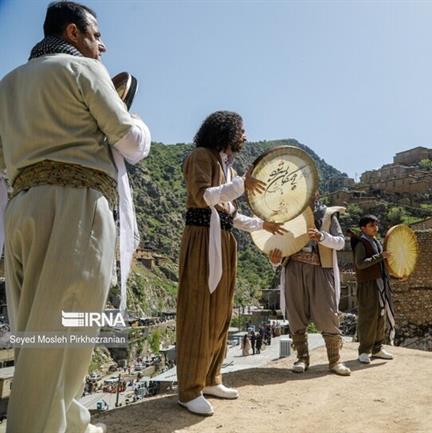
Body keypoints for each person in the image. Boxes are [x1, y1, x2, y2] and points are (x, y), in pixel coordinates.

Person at [0, 2, 150, 432]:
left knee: (34, 329)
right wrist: (140, 122)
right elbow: (129, 141)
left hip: (22, 207)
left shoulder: (6, 85)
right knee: (67, 328)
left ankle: (69, 420)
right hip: (77, 207)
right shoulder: (84, 71)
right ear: (73, 32)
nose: (101, 46)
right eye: (96, 35)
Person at [175, 110, 284, 416]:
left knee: (221, 312)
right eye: (241, 130)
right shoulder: (200, 157)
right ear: (226, 132)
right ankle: (189, 389)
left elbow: (230, 215)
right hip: (201, 240)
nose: (245, 136)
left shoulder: (225, 166)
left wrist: (264, 225)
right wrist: (240, 185)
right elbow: (202, 197)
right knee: (199, 311)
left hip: (223, 241)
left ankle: (210, 378)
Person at [269, 195, 351, 376]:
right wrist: (275, 260)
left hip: (320, 268)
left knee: (326, 313)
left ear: (317, 194)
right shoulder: (288, 215)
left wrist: (321, 236)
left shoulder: (328, 214)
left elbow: (340, 242)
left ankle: (335, 360)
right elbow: (278, 245)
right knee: (296, 313)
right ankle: (302, 358)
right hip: (293, 269)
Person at [352, 215, 395, 364]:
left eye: (376, 225)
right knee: (368, 318)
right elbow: (360, 264)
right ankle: (364, 351)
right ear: (363, 228)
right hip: (368, 285)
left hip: (379, 283)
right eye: (371, 225)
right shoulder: (361, 243)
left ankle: (377, 348)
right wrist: (380, 256)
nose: (375, 228)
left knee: (380, 316)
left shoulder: (375, 241)